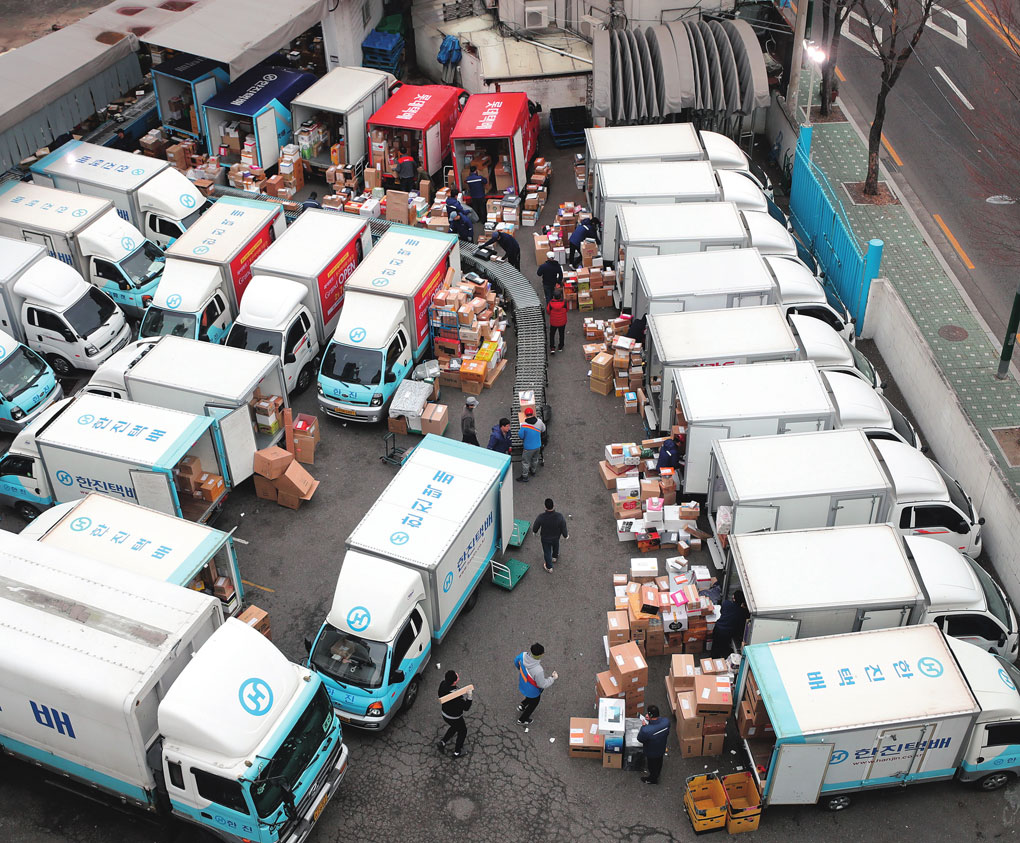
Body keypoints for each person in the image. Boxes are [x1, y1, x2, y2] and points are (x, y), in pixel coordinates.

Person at [514, 643, 558, 725]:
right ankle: (522, 720)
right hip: (533, 691)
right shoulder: (538, 670)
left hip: (523, 684)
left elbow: (516, 662)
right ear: (541, 655)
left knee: (529, 698)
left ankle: (522, 705)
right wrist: (552, 678)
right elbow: (542, 684)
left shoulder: (522, 655)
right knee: (533, 704)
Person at [437, 670, 472, 757]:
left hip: (445, 713)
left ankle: (443, 742)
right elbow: (466, 707)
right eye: (457, 676)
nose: (457, 675)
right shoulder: (457, 697)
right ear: (455, 681)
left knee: (454, 727)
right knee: (463, 731)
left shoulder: (442, 684)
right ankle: (457, 752)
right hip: (454, 717)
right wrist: (469, 697)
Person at [532, 498, 568, 573]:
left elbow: (536, 525)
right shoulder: (559, 516)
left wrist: (534, 532)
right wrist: (565, 535)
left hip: (545, 538)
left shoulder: (541, 517)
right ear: (554, 506)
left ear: (545, 507)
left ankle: (549, 567)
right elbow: (563, 526)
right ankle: (555, 557)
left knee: (547, 552)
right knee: (556, 545)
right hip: (556, 537)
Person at [711, 589, 749, 658]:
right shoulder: (742, 612)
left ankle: (713, 660)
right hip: (727, 633)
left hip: (718, 629)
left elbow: (722, 612)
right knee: (724, 648)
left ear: (733, 598)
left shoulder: (726, 603)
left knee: (715, 647)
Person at [637, 705, 670, 785]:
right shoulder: (666, 722)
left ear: (651, 716)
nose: (646, 715)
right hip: (661, 749)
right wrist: (651, 722)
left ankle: (652, 779)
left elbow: (640, 739)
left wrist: (644, 726)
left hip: (651, 752)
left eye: (648, 714)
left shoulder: (646, 730)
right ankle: (657, 773)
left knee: (652, 766)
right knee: (659, 763)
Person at [517, 406, 545, 482]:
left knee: (525, 462)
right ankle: (533, 471)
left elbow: (521, 436)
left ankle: (525, 476)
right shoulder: (539, 421)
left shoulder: (524, 425)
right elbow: (543, 429)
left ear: (525, 415)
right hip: (537, 445)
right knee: (535, 459)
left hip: (528, 448)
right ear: (533, 414)